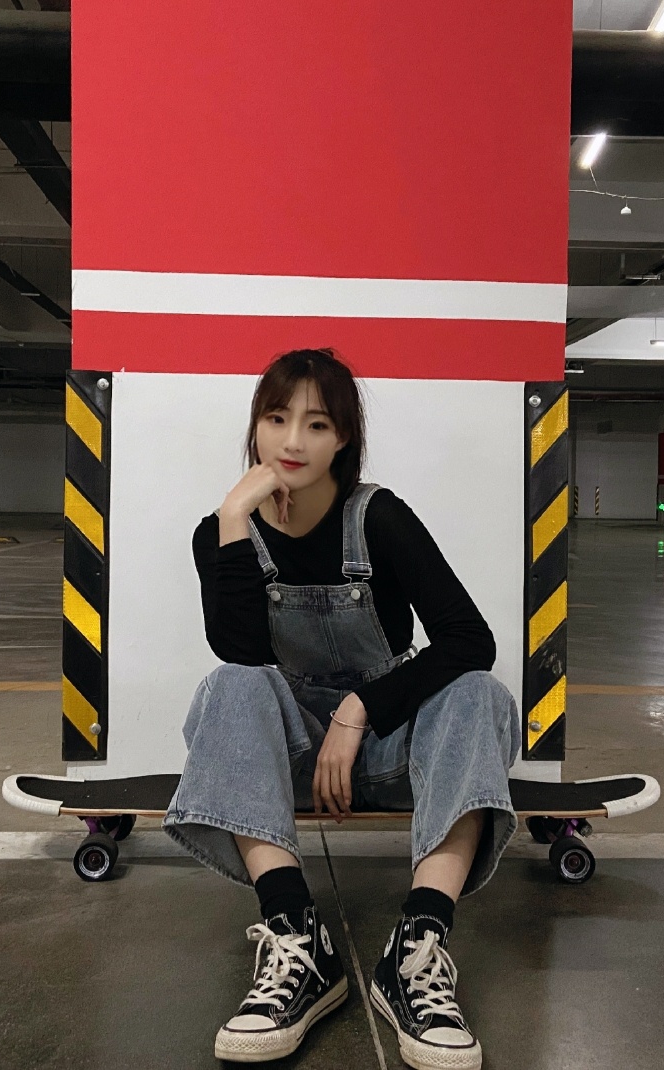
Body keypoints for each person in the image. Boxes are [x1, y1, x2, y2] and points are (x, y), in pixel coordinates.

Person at [164, 347, 520, 1070]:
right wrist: (233, 518)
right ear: (255, 426)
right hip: (295, 760)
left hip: (390, 754)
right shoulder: (222, 532)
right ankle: (297, 937)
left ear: (343, 438)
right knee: (229, 685)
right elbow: (242, 653)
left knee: (478, 691)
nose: (292, 441)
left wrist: (361, 708)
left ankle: (417, 950)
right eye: (276, 418)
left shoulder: (378, 518)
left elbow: (469, 640)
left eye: (317, 424)